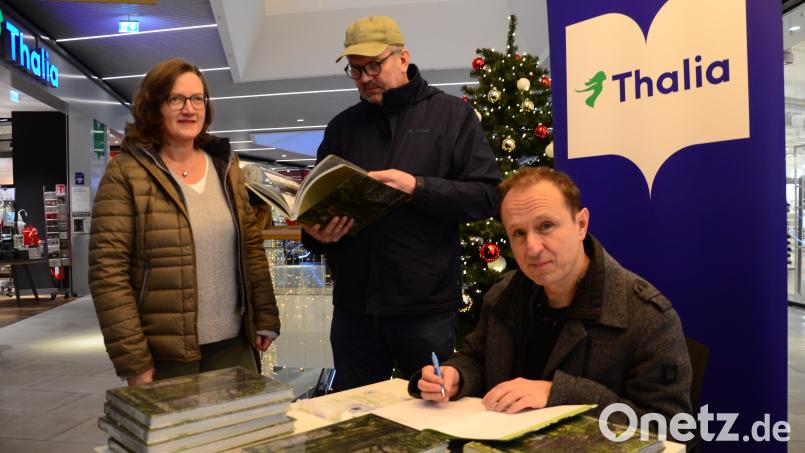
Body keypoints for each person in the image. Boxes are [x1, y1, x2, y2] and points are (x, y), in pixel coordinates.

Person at [301, 16, 502, 391]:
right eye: (355, 69)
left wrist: (416, 187)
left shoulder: (451, 115)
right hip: (354, 309)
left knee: (434, 416)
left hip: (423, 309)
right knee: (356, 419)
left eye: (374, 65)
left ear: (403, 57)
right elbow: (318, 206)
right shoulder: (341, 128)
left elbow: (487, 195)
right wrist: (316, 233)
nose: (364, 77)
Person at [412, 167, 692, 425]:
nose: (532, 247)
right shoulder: (504, 296)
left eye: (545, 226)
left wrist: (560, 394)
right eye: (518, 233)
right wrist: (457, 375)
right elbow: (476, 357)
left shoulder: (648, 317)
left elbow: (669, 428)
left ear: (581, 224)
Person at [89, 58, 280, 385]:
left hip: (234, 344)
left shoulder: (225, 167)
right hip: (165, 354)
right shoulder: (126, 173)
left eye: (197, 99)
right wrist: (133, 358)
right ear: (154, 106)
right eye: (175, 99)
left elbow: (250, 247)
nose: (189, 109)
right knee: (178, 437)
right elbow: (108, 271)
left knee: (237, 435)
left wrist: (264, 316)